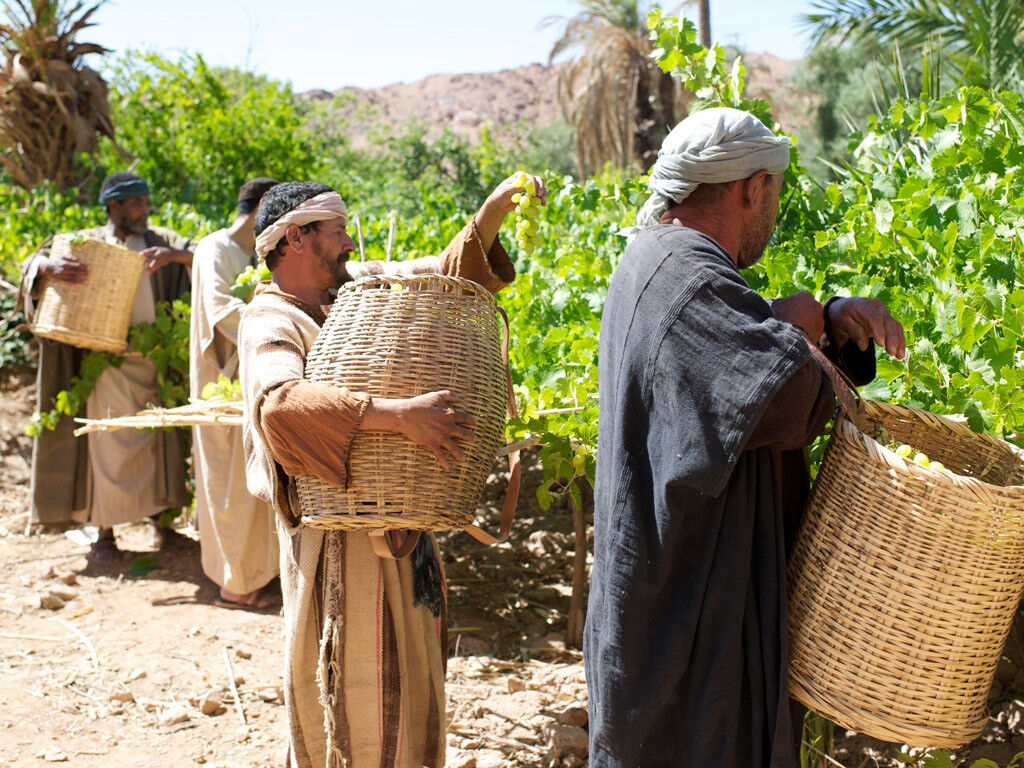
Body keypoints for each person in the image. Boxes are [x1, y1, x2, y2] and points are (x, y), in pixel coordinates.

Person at [584, 107, 906, 768]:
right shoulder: (689, 276)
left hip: (676, 610)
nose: (774, 211)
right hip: (685, 634)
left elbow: (744, 351)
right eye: (775, 195)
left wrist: (826, 319)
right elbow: (782, 398)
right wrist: (800, 328)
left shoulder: (665, 260)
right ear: (752, 188)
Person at [238, 174, 543, 768]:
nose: (349, 243)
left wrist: (491, 213)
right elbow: (279, 407)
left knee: (413, 676)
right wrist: (398, 417)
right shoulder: (269, 319)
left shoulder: (356, 288)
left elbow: (443, 275)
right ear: (295, 238)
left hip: (403, 525)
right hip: (336, 546)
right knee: (355, 688)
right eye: (337, 231)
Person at [19, 171, 194, 561]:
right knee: (102, 449)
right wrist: (48, 268)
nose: (145, 209)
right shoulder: (87, 242)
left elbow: (202, 253)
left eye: (146, 201)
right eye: (137, 203)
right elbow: (32, 261)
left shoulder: (160, 241)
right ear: (113, 206)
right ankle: (104, 535)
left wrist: (175, 257)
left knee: (157, 445)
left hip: (153, 364)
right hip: (101, 367)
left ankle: (163, 527)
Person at [189, 177, 280, 609]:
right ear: (260, 208)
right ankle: (236, 586)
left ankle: (256, 576)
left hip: (249, 377)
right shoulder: (214, 248)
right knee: (230, 483)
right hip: (221, 381)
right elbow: (221, 311)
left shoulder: (251, 254)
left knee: (252, 481)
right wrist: (277, 322)